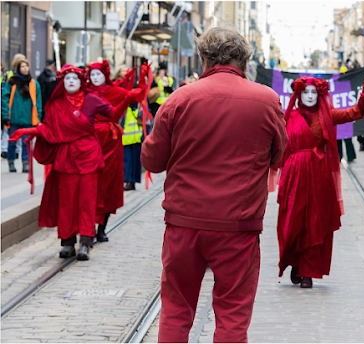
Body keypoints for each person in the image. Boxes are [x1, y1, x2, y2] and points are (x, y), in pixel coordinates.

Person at [141, 27, 287, 343]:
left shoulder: (179, 99)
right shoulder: (267, 100)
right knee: (233, 315)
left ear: (204, 58)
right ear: (245, 60)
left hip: (185, 223)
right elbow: (277, 156)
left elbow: (152, 161)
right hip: (239, 224)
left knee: (177, 311)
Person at [9, 65, 133, 260]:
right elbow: (49, 130)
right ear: (62, 82)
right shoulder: (56, 105)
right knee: (66, 202)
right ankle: (67, 242)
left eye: (75, 78)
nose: (71, 81)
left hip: (89, 156)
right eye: (67, 79)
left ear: (81, 81)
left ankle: (85, 242)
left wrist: (128, 98)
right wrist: (28, 131)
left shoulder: (92, 100)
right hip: (66, 158)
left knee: (87, 200)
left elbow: (114, 115)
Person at [276, 73, 364, 289]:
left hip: (318, 175)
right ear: (298, 94)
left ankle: (308, 271)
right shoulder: (289, 116)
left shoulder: (327, 115)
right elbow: (280, 145)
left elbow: (354, 112)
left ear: (319, 94)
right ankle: (295, 263)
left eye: (313, 92)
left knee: (315, 222)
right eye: (305, 92)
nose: (309, 96)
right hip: (294, 176)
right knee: (293, 223)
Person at [86, 60, 149, 241]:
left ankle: (101, 228)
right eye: (92, 74)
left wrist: (142, 79)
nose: (95, 77)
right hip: (89, 142)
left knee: (109, 184)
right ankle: (88, 228)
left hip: (111, 143)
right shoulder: (85, 93)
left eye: (98, 74)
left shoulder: (115, 91)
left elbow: (136, 96)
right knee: (90, 184)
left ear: (105, 75)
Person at [1, 60, 42, 173]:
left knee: (26, 142)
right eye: (22, 66)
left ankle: (25, 163)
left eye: (26, 66)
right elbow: (4, 99)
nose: (25, 68)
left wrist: (39, 116)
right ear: (18, 68)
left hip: (28, 118)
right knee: (12, 142)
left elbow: (38, 101)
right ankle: (11, 162)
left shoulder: (34, 84)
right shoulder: (12, 82)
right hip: (13, 117)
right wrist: (5, 115)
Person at [1, 54, 26, 159]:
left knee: (20, 130)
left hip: (21, 108)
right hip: (10, 106)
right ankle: (4, 149)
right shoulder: (8, 75)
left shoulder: (27, 78)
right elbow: (3, 91)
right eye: (21, 62)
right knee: (7, 129)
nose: (24, 65)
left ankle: (16, 151)